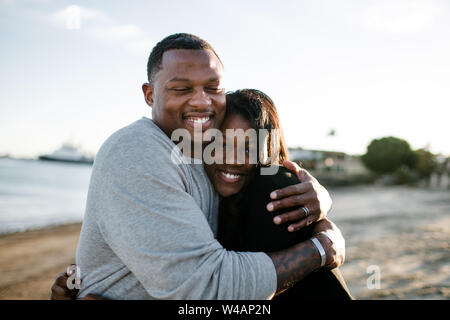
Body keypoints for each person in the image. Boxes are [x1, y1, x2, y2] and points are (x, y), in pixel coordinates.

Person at [51, 33, 345, 300]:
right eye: (181, 88)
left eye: (212, 88)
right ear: (149, 94)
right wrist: (321, 248)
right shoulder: (137, 150)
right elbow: (205, 287)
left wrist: (322, 203)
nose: (202, 102)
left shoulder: (205, 156)